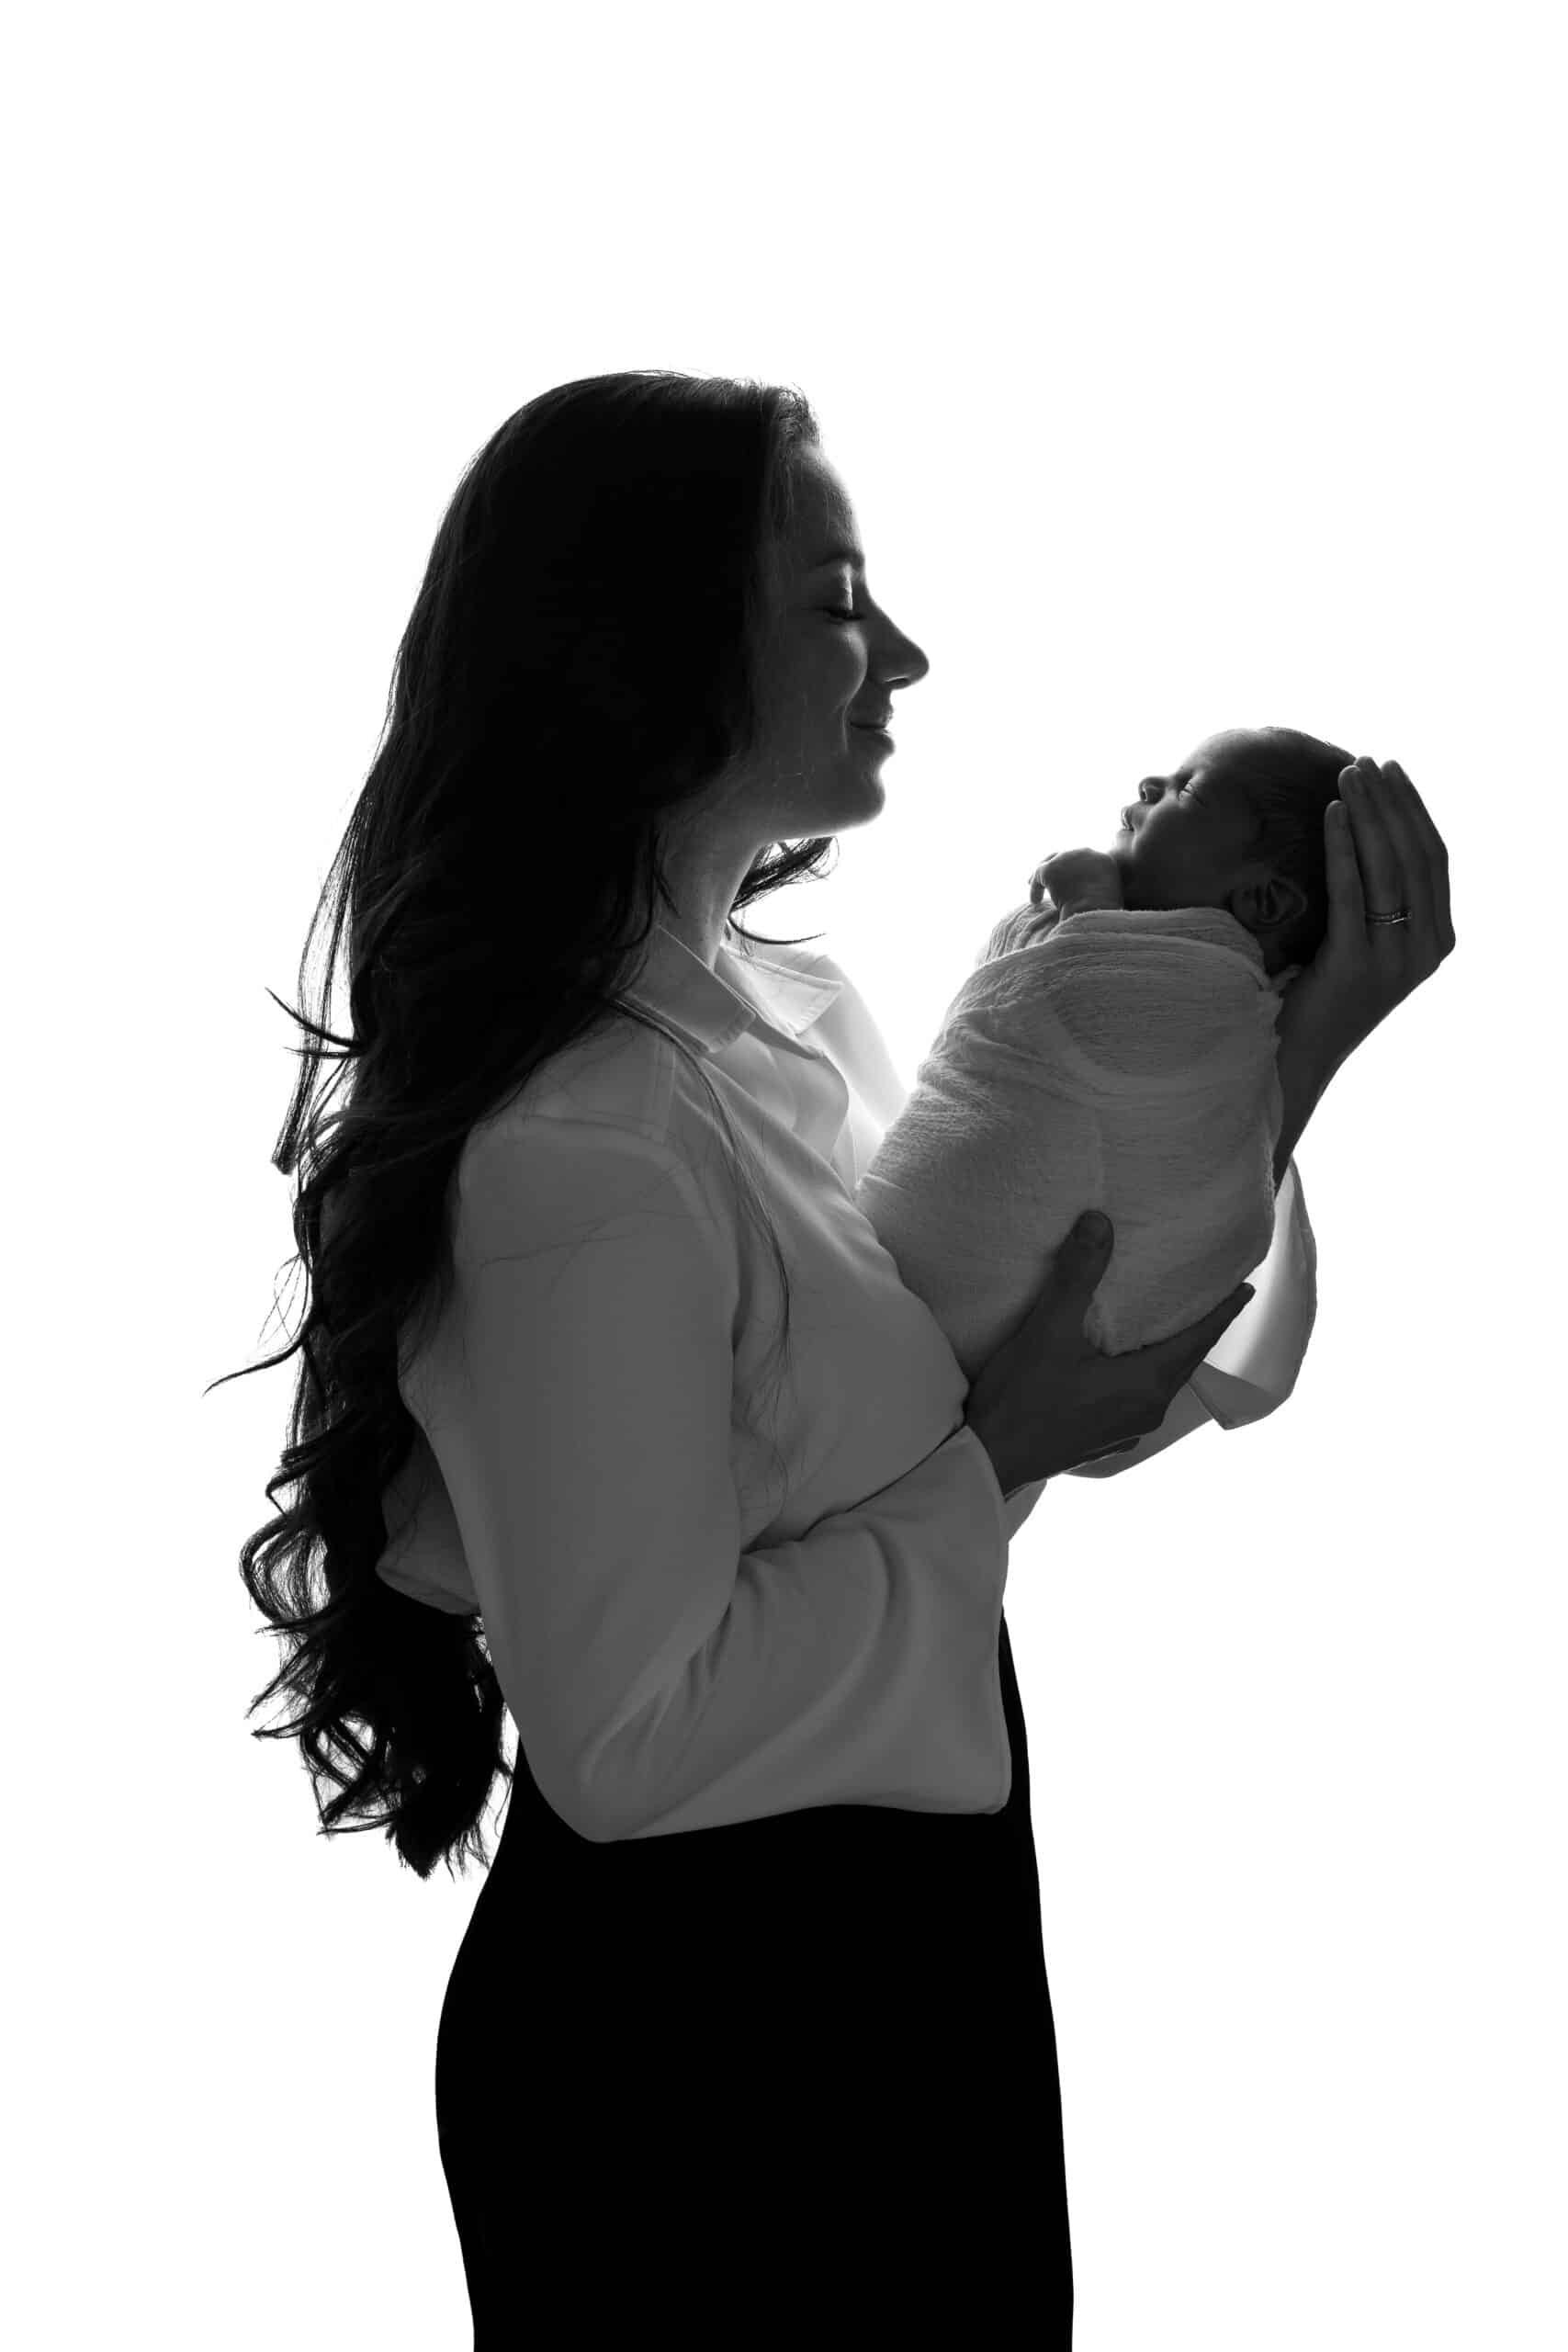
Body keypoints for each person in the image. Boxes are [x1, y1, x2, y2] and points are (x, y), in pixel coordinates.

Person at [222, 372, 1453, 2348]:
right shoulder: (581, 1150)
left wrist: (1280, 1054)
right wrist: (990, 1457)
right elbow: (634, 1738)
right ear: (650, 652)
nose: (906, 653)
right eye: (835, 602)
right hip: (709, 2060)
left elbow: (1036, 1365)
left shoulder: (794, 1024)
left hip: (896, 1962)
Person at [853, 727, 1357, 1491]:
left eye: (1187, 789)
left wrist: (1087, 902)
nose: (1150, 780)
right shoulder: (1169, 982)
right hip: (919, 1370)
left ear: (1260, 900)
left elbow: (1080, 1009)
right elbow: (1019, 1019)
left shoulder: (1205, 1000)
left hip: (975, 1336)